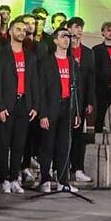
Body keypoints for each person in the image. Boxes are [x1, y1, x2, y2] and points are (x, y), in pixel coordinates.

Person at [0, 19, 38, 193]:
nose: (21, 32)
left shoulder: (30, 56)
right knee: (3, 144)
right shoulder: (1, 53)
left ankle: (14, 178)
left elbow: (34, 82)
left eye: (24, 30)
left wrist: (35, 105)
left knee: (19, 144)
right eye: (18, 29)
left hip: (24, 104)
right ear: (10, 32)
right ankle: (3, 179)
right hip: (6, 105)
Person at [38, 27, 81, 193]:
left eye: (69, 37)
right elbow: (41, 89)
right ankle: (45, 179)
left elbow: (77, 89)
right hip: (50, 107)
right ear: (55, 40)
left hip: (67, 108)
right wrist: (43, 113)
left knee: (64, 146)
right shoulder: (46, 62)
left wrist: (76, 111)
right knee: (47, 146)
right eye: (63, 36)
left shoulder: (73, 63)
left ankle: (63, 180)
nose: (67, 39)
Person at [66, 17, 95, 183]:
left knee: (79, 136)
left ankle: (78, 168)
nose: (79, 31)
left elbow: (91, 79)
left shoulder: (88, 53)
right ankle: (60, 168)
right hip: (64, 99)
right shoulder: (63, 49)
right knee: (64, 136)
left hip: (81, 100)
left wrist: (90, 101)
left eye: (81, 28)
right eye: (76, 27)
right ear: (69, 29)